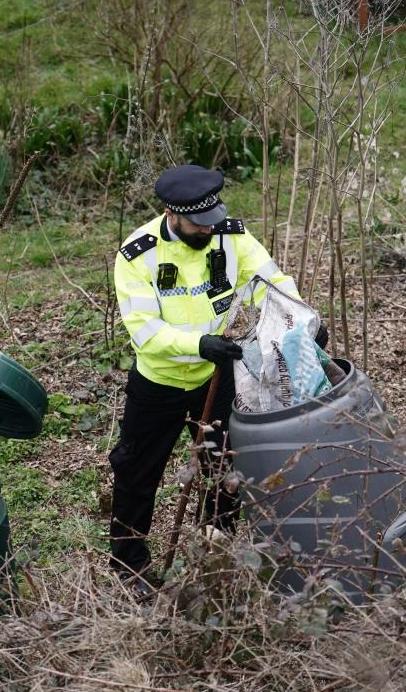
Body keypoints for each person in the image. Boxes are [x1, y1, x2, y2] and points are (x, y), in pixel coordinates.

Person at [109, 164, 323, 589]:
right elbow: (145, 332)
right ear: (172, 216)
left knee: (224, 466)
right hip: (159, 384)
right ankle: (129, 566)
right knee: (136, 472)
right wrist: (198, 344)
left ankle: (214, 551)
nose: (209, 230)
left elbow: (271, 282)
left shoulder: (230, 234)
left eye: (212, 220)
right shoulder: (138, 255)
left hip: (215, 377)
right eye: (197, 224)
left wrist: (302, 322)